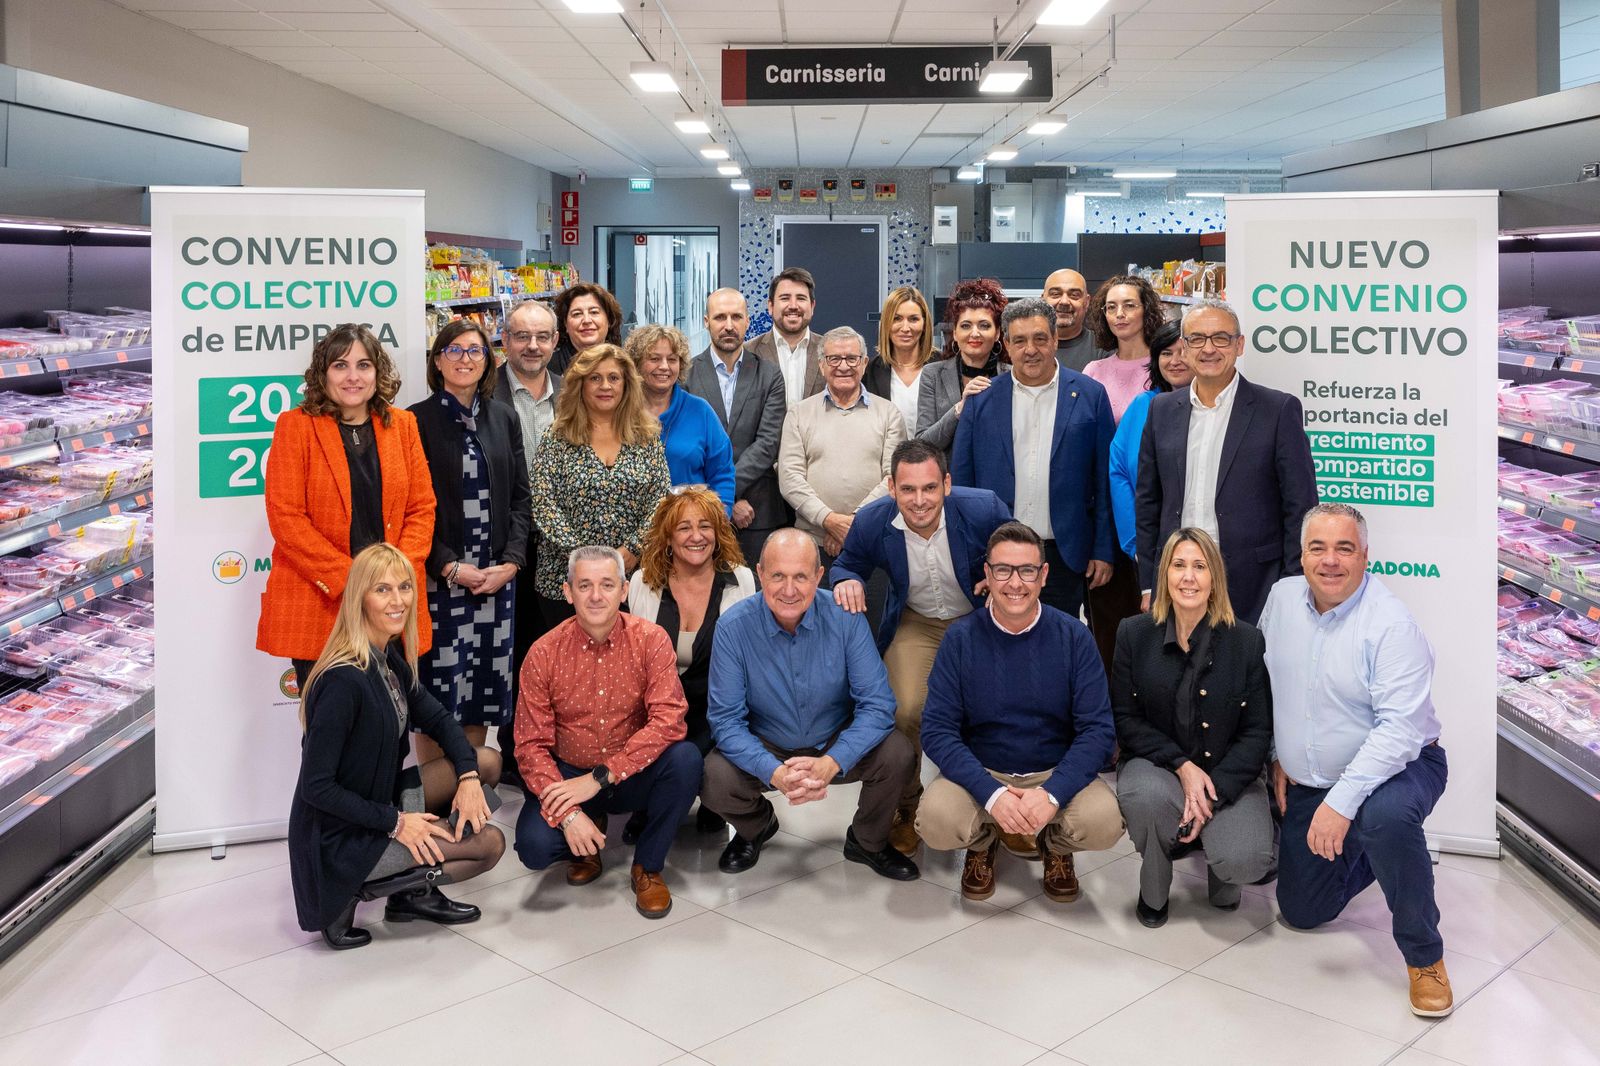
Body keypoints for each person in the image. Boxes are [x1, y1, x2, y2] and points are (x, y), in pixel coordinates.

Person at [1260, 504, 1453, 1018]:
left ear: (1366, 556)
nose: (1330, 561)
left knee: (1384, 817)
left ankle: (1425, 957)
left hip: (1405, 765)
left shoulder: (1391, 625)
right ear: (1301, 555)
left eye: (1344, 548)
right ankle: (1371, 845)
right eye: (1318, 548)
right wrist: (1279, 753)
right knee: (1303, 911)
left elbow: (1399, 733)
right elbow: (1269, 685)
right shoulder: (1281, 599)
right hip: (1315, 780)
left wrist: (1341, 804)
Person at [289, 542, 505, 951]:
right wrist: (398, 823)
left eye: (404, 587)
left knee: (486, 761)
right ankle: (355, 892)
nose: (398, 600)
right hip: (342, 838)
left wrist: (468, 779)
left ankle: (412, 893)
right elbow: (317, 788)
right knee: (489, 845)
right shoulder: (341, 681)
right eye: (383, 589)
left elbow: (440, 720)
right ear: (360, 598)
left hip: (377, 803)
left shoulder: (386, 657)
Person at [917, 522, 1123, 902]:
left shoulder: (1074, 638)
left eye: (1027, 570)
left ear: (1043, 575)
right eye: (1003, 570)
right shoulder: (960, 639)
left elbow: (1098, 731)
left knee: (1104, 822)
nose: (1015, 583)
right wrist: (992, 794)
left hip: (1053, 769)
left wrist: (1052, 794)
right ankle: (983, 841)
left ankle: (1055, 847)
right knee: (935, 821)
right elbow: (937, 731)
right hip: (983, 771)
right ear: (988, 574)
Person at [829, 439, 1011, 855]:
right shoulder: (873, 521)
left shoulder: (983, 508)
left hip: (980, 620)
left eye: (929, 487)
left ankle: (1002, 802)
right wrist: (847, 580)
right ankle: (907, 803)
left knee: (997, 706)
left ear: (946, 483)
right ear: (891, 488)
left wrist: (1000, 576)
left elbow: (1021, 550)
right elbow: (846, 563)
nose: (919, 500)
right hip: (918, 620)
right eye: (908, 489)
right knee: (903, 708)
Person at [703, 529, 919, 880]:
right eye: (778, 576)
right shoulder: (732, 628)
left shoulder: (846, 618)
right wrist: (772, 771)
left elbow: (878, 706)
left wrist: (834, 760)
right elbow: (726, 722)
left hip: (834, 736)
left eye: (801, 577)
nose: (789, 590)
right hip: (767, 742)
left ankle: (868, 841)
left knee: (897, 753)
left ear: (819, 576)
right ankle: (756, 827)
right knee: (713, 776)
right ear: (760, 574)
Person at [512, 545, 702, 919]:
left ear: (624, 590)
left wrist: (600, 778)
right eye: (584, 585)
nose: (596, 596)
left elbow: (669, 720)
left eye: (607, 585)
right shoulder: (543, 653)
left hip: (630, 772)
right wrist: (569, 814)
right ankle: (585, 838)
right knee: (534, 848)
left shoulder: (651, 639)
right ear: (568, 592)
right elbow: (529, 746)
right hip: (569, 774)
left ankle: (647, 866)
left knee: (686, 760)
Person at [1111, 528, 1274, 929]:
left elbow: (1256, 733)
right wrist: (1183, 767)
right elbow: (1125, 720)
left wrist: (1210, 796)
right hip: (1158, 768)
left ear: (1214, 577)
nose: (1188, 577)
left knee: (1246, 860)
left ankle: (1222, 867)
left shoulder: (1247, 641)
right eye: (1179, 565)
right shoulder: (1133, 633)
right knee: (1146, 798)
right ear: (1164, 574)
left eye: (1200, 566)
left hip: (1228, 775)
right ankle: (1154, 886)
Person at [258, 324, 436, 691]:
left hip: (392, 607)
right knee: (330, 718)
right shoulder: (295, 427)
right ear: (323, 374)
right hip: (324, 602)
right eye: (340, 365)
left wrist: (392, 579)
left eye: (363, 365)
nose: (353, 376)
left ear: (377, 372)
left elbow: (422, 508)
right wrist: (354, 579)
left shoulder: (403, 425)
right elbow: (286, 517)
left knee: (393, 716)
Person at [1135, 298, 1319, 624]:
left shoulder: (1277, 411)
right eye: (1197, 339)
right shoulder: (1161, 410)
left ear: (1239, 345)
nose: (1209, 349)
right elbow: (1148, 502)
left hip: (1254, 585)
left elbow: (1300, 506)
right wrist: (1150, 582)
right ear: (1185, 348)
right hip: (1178, 581)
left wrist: (1292, 585)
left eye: (1221, 338)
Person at [409, 321, 530, 765]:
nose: (465, 359)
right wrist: (447, 565)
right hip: (440, 583)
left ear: (488, 361)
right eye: (454, 350)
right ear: (437, 361)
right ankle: (437, 793)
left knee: (481, 692)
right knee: (436, 696)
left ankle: (469, 792)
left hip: (494, 583)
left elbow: (521, 497)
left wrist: (512, 561)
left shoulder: (503, 417)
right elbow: (409, 506)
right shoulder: (414, 421)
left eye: (475, 351)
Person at [953, 298, 1114, 618]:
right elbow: (961, 485)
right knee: (998, 640)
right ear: (1006, 345)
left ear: (1055, 340)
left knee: (1059, 640)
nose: (1031, 349)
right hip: (996, 555)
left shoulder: (1090, 395)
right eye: (1020, 340)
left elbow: (1104, 481)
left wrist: (1102, 549)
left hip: (1064, 556)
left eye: (1040, 338)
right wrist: (971, 555)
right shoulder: (981, 400)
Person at [627, 486, 756, 836]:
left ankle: (715, 799)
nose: (696, 536)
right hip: (657, 709)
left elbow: (748, 661)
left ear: (718, 533)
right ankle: (646, 801)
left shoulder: (741, 579)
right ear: (668, 536)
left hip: (717, 709)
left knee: (710, 768)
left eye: (705, 526)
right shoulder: (643, 582)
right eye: (684, 527)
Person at [528, 342, 671, 630]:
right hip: (564, 583)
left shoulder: (646, 437)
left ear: (626, 384)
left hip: (634, 578)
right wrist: (585, 561)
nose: (605, 386)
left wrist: (632, 549)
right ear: (580, 384)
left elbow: (661, 499)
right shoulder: (556, 437)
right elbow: (543, 503)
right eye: (595, 378)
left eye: (613, 378)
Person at [494, 298, 562, 789]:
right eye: (522, 336)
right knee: (512, 653)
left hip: (562, 546)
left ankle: (555, 747)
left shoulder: (573, 392)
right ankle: (514, 754)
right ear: (505, 341)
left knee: (553, 650)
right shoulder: (485, 390)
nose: (532, 346)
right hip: (505, 545)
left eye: (542, 337)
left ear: (556, 342)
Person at [778, 326, 906, 569]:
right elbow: (789, 478)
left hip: (873, 541)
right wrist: (828, 520)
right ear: (821, 365)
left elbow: (894, 478)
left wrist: (853, 525)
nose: (843, 366)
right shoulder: (798, 414)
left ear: (864, 363)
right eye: (834, 359)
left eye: (852, 358)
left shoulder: (889, 413)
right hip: (812, 544)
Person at [686, 288, 789, 569]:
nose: (729, 325)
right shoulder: (686, 375)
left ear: (747, 321)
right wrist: (721, 500)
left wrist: (726, 493)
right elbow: (689, 447)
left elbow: (768, 443)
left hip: (758, 513)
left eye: (736, 317)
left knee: (759, 590)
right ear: (706, 322)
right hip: (699, 513)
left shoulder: (769, 374)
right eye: (720, 317)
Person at [625, 323, 736, 514]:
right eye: (654, 359)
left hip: (689, 525)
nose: (664, 366)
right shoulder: (620, 413)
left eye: (672, 359)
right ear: (636, 363)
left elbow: (722, 475)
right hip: (630, 525)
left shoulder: (700, 411)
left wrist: (719, 521)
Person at [1109, 321, 1186, 560]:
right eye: (1166, 353)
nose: (1175, 361)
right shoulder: (1142, 406)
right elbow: (1119, 472)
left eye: (1183, 352)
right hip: (1149, 545)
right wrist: (1136, 543)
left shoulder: (1214, 408)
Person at [916, 278, 1007, 456]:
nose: (975, 333)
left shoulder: (1012, 374)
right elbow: (922, 445)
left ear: (997, 333)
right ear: (955, 333)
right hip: (948, 472)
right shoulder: (932, 374)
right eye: (966, 326)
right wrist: (959, 409)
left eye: (984, 325)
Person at [1084, 275, 1166, 422]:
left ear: (1146, 310)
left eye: (1129, 305)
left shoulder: (1165, 366)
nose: (1119, 314)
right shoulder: (1093, 371)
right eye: (1111, 307)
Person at [748, 267, 825, 408]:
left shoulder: (829, 351)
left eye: (801, 298)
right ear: (770, 306)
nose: (793, 306)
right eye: (785, 298)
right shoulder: (748, 352)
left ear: (812, 306)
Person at [863, 286, 934, 432]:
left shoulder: (943, 368)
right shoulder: (870, 372)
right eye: (897, 319)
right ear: (886, 323)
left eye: (913, 319)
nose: (905, 328)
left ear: (924, 324)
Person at [548, 281, 623, 376]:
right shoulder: (548, 369)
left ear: (609, 320)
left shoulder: (624, 364)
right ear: (565, 324)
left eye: (594, 312)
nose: (586, 320)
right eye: (577, 314)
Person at [1044, 268, 1097, 372]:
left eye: (1074, 295)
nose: (1064, 302)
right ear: (1043, 300)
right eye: (1055, 294)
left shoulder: (1103, 349)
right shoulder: (1024, 347)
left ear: (1086, 302)